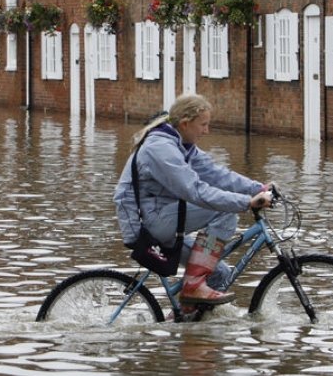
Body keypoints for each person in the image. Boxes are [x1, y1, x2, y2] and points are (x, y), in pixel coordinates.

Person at [113, 94, 273, 307]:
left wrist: (259, 188)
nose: (206, 131)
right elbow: (195, 191)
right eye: (203, 125)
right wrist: (247, 202)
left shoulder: (182, 145)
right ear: (185, 124)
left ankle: (184, 323)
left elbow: (216, 174)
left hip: (164, 217)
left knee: (220, 273)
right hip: (148, 225)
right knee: (223, 210)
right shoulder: (161, 149)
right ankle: (194, 285)